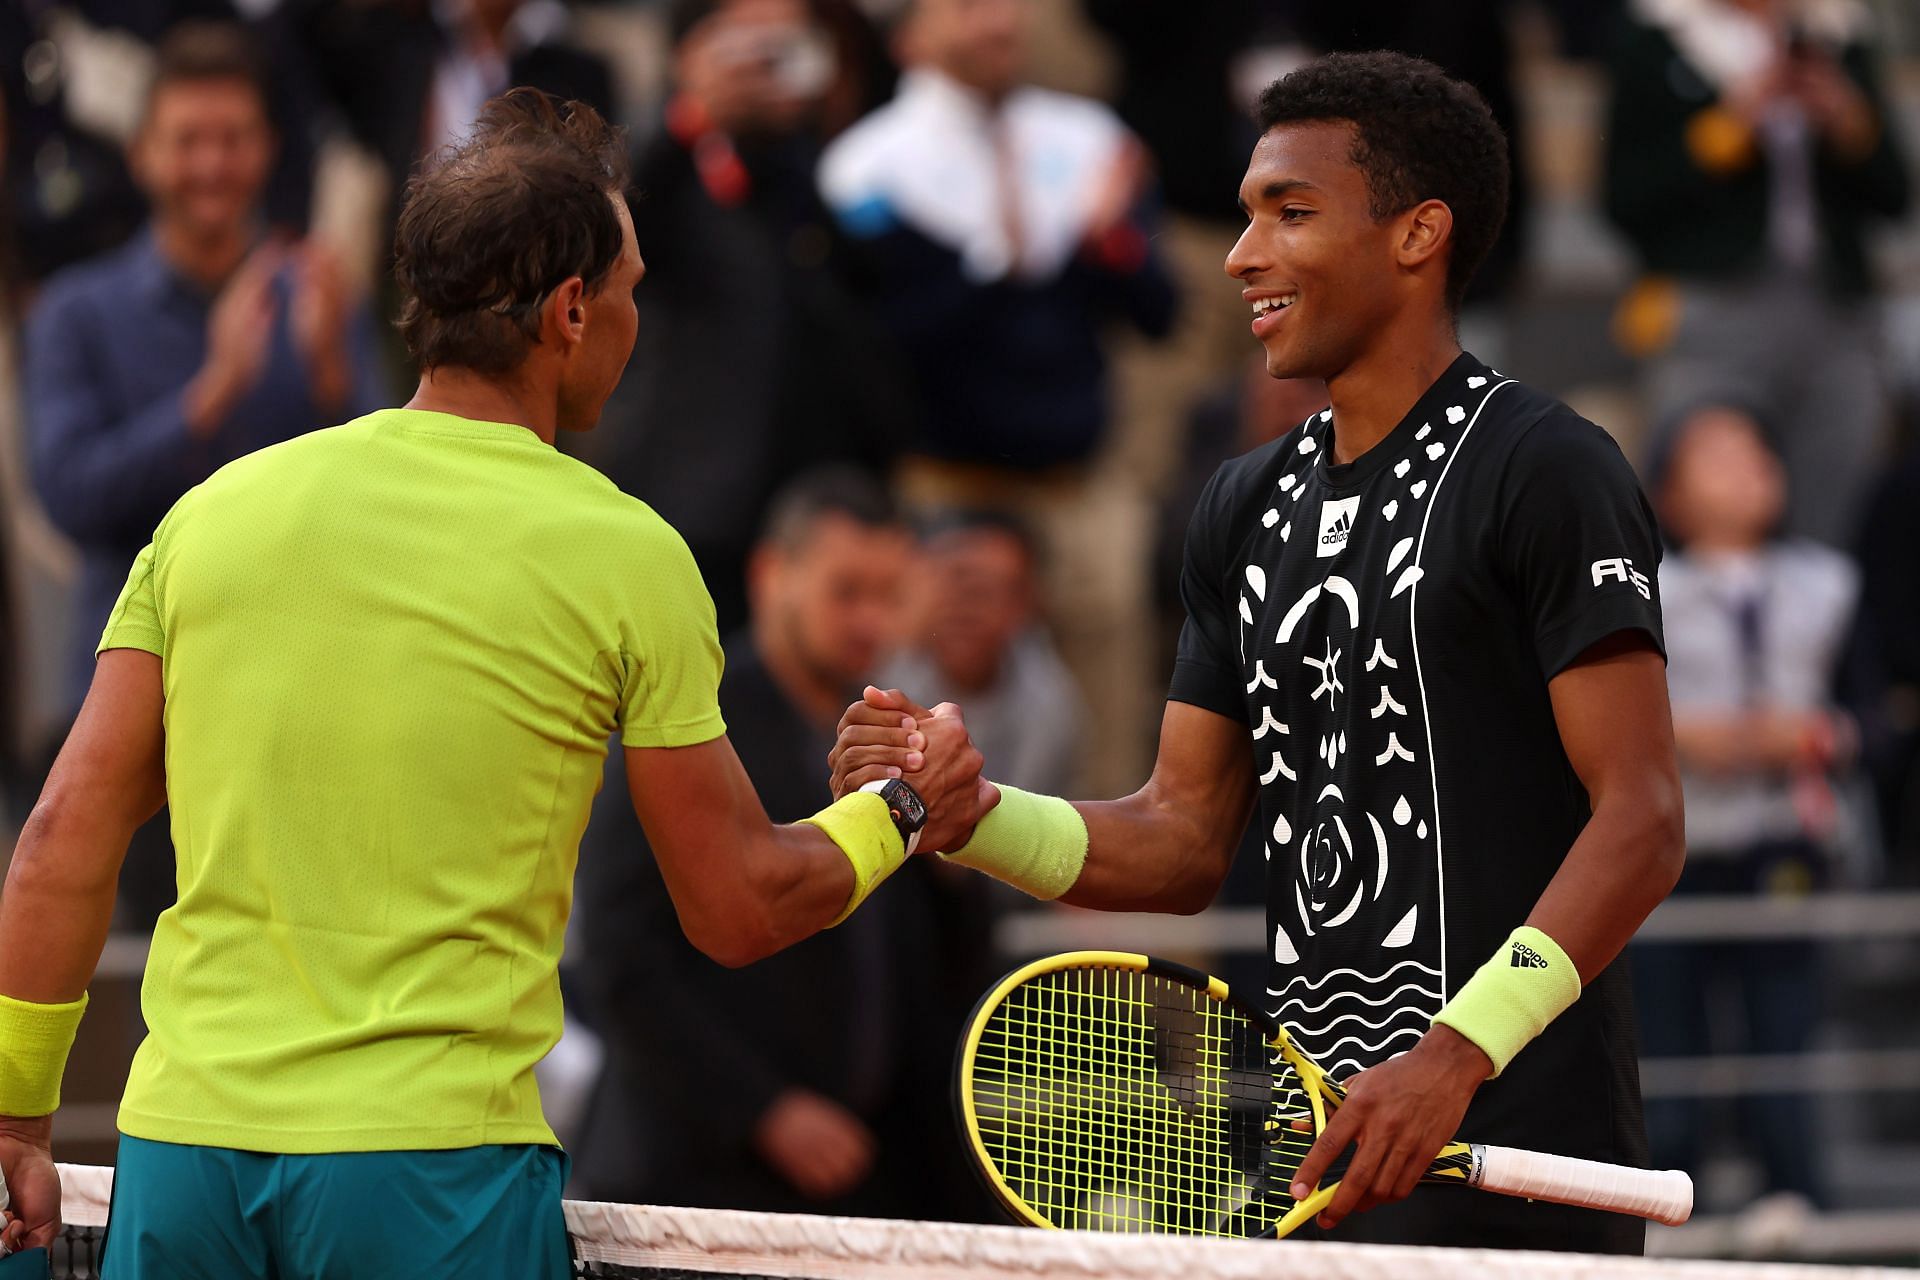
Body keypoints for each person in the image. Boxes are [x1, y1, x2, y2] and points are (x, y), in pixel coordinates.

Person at [0, 91, 987, 1273]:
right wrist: (904, 808)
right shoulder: (626, 552)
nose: (633, 315)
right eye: (628, 287)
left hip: (184, 1158)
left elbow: (59, 834)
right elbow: (736, 902)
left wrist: (15, 1116)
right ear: (573, 312)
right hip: (430, 1177)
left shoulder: (211, 513)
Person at [832, 52, 1685, 1254]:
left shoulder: (1548, 466)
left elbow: (1642, 816)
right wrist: (971, 814)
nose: (1242, 256)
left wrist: (1450, 1057)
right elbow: (1180, 837)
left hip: (1521, 1168)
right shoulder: (1238, 505)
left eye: (1290, 212)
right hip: (1319, 1174)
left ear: (1417, 235)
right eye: (1245, 217)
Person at [573, 469, 986, 1222]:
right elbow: (618, 952)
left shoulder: (893, 730)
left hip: (863, 1179)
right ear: (772, 576)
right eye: (846, 591)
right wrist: (763, 1110)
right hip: (686, 1183)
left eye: (890, 597)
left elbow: (928, 959)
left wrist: (960, 848)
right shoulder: (687, 720)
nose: (869, 620)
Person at [818, 0, 1177, 797]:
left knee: (1110, 748)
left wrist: (1107, 243)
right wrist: (1009, 256)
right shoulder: (866, 167)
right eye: (965, 7)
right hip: (944, 497)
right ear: (908, 32)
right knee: (922, 751)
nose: (996, 23)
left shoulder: (1091, 141)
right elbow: (890, 337)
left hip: (1078, 492)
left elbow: (1158, 311)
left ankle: (1100, 918)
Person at [25, 21, 386, 721]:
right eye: (188, 141)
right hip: (128, 706)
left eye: (233, 139)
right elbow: (68, 496)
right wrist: (207, 398)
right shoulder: (77, 312)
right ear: (142, 154)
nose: (212, 164)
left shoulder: (318, 299)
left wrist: (332, 377)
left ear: (268, 150)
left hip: (296, 696)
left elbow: (380, 507)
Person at [570, 0, 911, 634]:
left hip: (809, 513)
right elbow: (601, 239)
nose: (766, 65)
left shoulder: (818, 174)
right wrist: (693, 116)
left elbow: (858, 295)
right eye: (746, 45)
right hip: (688, 514)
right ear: (690, 55)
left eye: (787, 45)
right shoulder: (664, 165)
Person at [1635, 401, 1857, 1213]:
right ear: (1670, 490)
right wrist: (1686, 737)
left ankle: (1795, 1195)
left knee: (1783, 1037)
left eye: (1752, 451)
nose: (1740, 470)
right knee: (1670, 1043)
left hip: (1784, 841)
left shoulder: (1829, 584)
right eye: (1712, 456)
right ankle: (1667, 1203)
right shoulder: (1644, 588)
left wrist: (1817, 736)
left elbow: (1869, 706)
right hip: (1674, 849)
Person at [1603, 0, 1910, 547]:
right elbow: (1625, 199)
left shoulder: (1838, 35)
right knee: (1709, 503)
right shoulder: (1660, 38)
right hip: (1711, 308)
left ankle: (1826, 631)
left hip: (1834, 308)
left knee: (1838, 509)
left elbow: (1895, 196)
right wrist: (1730, 125)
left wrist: (1845, 118)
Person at [882, 511, 1082, 799]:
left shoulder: (1051, 709)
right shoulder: (876, 670)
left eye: (987, 591)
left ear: (1026, 605)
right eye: (955, 583)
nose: (967, 609)